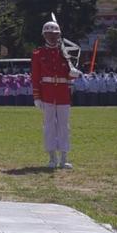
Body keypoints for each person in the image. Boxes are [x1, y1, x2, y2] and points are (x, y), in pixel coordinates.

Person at [32, 20, 77, 169]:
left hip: (63, 92)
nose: (52, 37)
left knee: (64, 126)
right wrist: (37, 96)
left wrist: (73, 74)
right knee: (49, 126)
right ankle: (52, 157)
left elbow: (68, 75)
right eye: (49, 34)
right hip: (47, 93)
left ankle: (64, 158)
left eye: (55, 34)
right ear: (44, 35)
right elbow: (35, 76)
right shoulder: (38, 54)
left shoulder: (65, 53)